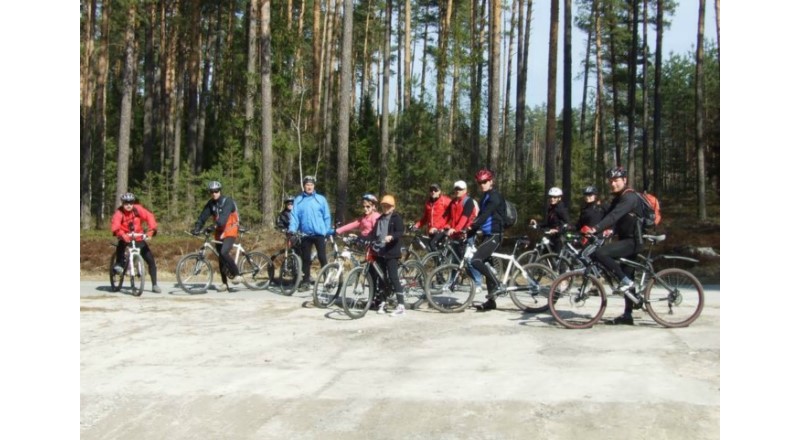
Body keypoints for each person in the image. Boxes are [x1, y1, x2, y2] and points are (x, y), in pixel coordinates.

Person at [583, 167, 644, 325]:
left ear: (624, 180)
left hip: (634, 241)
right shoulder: (618, 198)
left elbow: (614, 216)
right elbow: (608, 217)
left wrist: (596, 229)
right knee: (628, 274)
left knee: (601, 254)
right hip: (625, 239)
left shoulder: (630, 197)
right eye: (611, 181)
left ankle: (624, 281)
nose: (613, 184)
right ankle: (628, 315)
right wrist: (597, 232)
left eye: (616, 181)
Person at [193, 180, 243, 291]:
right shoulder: (211, 204)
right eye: (212, 191)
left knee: (224, 252)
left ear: (220, 191)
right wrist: (197, 228)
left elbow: (223, 219)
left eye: (216, 191)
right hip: (219, 231)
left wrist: (213, 226)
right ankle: (224, 283)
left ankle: (237, 274)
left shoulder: (227, 201)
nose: (214, 193)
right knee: (221, 258)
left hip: (231, 229)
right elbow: (202, 217)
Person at [467, 169, 506, 312]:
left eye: (485, 182)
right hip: (487, 234)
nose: (482, 184)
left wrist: (473, 225)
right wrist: (469, 231)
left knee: (475, 260)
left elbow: (485, 215)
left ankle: (497, 284)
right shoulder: (485, 197)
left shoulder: (494, 197)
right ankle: (491, 302)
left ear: (491, 181)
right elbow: (481, 216)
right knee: (487, 265)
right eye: (480, 183)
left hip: (495, 235)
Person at [289, 175, 334, 290]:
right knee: (306, 259)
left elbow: (327, 216)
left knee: (322, 257)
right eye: (307, 185)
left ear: (314, 186)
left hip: (319, 234)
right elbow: (294, 217)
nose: (309, 187)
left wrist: (326, 231)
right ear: (304, 186)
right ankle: (306, 282)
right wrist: (292, 230)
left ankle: (327, 281)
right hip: (305, 235)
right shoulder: (298, 200)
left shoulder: (320, 199)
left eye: (311, 185)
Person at [111, 192, 161, 293]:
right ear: (122, 203)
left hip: (138, 237)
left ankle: (154, 284)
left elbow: (149, 217)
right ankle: (118, 264)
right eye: (126, 203)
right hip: (125, 237)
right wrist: (121, 234)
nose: (128, 205)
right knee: (121, 245)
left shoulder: (138, 209)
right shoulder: (119, 213)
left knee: (150, 260)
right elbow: (115, 226)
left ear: (133, 203)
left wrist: (151, 231)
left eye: (130, 203)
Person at [443, 180, 482, 292]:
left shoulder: (468, 202)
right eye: (456, 189)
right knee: (455, 260)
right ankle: (452, 282)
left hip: (467, 233)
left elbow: (465, 218)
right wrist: (446, 226)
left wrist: (456, 228)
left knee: (469, 260)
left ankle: (478, 283)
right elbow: (449, 217)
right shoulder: (453, 202)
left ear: (465, 190)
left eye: (460, 189)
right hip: (456, 234)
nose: (457, 191)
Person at [370, 194, 406, 316]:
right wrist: (361, 238)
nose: (386, 208)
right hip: (380, 252)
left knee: (393, 277)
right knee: (382, 278)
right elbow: (373, 234)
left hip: (391, 252)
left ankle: (401, 305)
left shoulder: (396, 218)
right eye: (384, 206)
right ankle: (383, 301)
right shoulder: (379, 219)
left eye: (388, 206)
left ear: (393, 207)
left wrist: (392, 236)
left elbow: (400, 231)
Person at [412, 183, 451, 251]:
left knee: (432, 245)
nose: (433, 192)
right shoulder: (428, 203)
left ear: (439, 191)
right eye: (431, 190)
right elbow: (425, 218)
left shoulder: (445, 201)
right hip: (431, 231)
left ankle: (440, 261)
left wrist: (437, 227)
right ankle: (438, 261)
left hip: (441, 230)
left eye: (435, 190)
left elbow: (450, 215)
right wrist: (417, 225)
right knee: (432, 250)